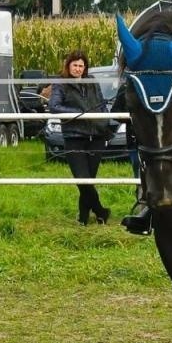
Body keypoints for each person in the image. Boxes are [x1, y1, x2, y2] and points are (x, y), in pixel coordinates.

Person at [49, 50, 112, 225]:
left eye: (81, 66)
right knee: (82, 179)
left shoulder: (91, 82)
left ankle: (83, 218)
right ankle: (100, 210)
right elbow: (54, 106)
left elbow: (101, 103)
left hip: (96, 136)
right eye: (75, 65)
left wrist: (104, 121)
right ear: (68, 65)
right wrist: (78, 114)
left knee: (88, 181)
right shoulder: (61, 84)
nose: (78, 69)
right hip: (74, 137)